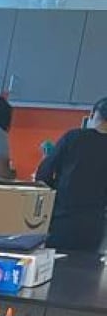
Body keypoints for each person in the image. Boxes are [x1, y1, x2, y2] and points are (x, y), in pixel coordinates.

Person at [37, 97, 107, 253]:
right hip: (95, 225)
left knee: (55, 266)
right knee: (84, 272)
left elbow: (43, 174)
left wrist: (58, 189)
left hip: (63, 219)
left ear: (93, 114)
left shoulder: (73, 137)